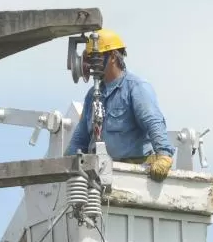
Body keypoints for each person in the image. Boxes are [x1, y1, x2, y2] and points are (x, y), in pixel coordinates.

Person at [64, 29, 175, 182]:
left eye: (95, 57)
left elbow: (153, 122)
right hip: (99, 173)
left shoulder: (135, 87)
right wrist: (66, 165)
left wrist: (163, 156)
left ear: (113, 57)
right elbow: (80, 138)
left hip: (132, 173)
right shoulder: (92, 96)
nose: (90, 65)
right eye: (89, 59)